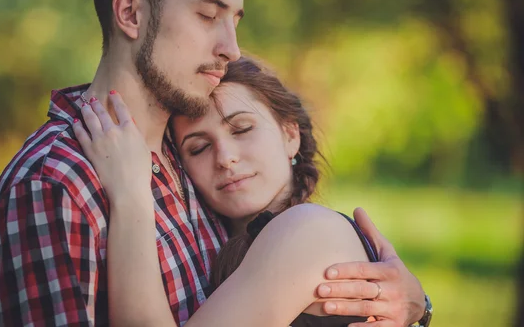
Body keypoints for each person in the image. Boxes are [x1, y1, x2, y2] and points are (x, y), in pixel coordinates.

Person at [0, 0, 428, 326]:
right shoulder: (54, 182)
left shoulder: (185, 164)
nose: (231, 49)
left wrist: (416, 305)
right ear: (130, 14)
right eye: (207, 15)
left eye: (234, 21)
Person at [74, 57, 430, 327]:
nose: (226, 158)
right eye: (198, 148)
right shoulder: (230, 244)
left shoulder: (308, 231)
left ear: (290, 135)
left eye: (242, 129)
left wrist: (130, 192)